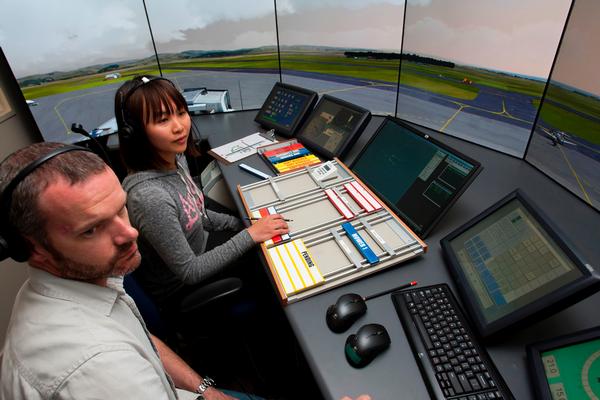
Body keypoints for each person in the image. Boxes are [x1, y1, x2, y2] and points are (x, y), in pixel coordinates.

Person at [0, 142, 257, 400]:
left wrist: (206, 391)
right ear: (31, 249)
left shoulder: (83, 281)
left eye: (120, 209)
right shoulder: (101, 369)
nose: (130, 233)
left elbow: (142, 340)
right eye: (91, 229)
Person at [114, 75, 289, 314]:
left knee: (267, 241)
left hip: (201, 244)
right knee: (273, 265)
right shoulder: (148, 197)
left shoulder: (175, 159)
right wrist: (249, 235)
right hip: (183, 288)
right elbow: (190, 271)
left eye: (181, 112)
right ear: (136, 133)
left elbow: (197, 215)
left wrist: (240, 224)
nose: (179, 126)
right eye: (163, 120)